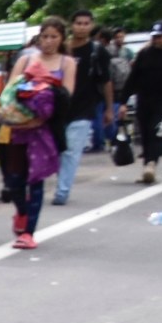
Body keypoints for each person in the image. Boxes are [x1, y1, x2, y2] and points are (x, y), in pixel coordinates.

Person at [0, 22, 73, 248]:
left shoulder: (67, 63)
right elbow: (9, 91)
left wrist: (44, 101)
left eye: (54, 37)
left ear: (61, 39)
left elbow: (67, 96)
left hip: (45, 131)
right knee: (14, 180)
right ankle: (22, 211)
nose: (49, 41)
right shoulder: (25, 60)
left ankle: (28, 232)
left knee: (36, 180)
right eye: (45, 36)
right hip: (18, 129)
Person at [55, 11, 114, 205]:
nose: (81, 27)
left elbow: (106, 81)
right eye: (78, 23)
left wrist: (109, 108)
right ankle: (57, 182)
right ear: (71, 25)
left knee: (71, 151)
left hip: (84, 108)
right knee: (55, 150)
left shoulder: (97, 51)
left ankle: (62, 191)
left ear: (91, 26)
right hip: (58, 108)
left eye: (86, 23)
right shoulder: (62, 49)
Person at [129, 23, 162, 185]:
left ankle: (151, 163)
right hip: (144, 100)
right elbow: (133, 78)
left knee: (156, 130)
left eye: (160, 36)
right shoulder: (144, 54)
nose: (157, 39)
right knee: (144, 132)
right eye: (155, 36)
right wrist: (123, 102)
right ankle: (147, 166)